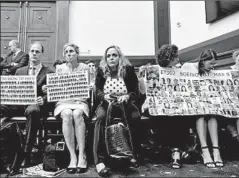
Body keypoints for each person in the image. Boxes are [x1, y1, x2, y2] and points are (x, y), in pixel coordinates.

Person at [0, 42, 53, 171]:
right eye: (32, 51)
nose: (34, 54)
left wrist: (45, 99)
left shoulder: (49, 72)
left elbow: (54, 91)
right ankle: (6, 149)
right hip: (19, 103)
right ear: (29, 52)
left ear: (42, 54)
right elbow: (13, 90)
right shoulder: (20, 71)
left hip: (35, 105)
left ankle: (26, 152)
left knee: (33, 110)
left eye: (37, 51)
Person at [93, 45, 140, 177]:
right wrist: (104, 96)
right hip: (106, 105)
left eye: (114, 55)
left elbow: (135, 91)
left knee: (135, 117)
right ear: (105, 59)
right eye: (109, 56)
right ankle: (99, 160)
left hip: (125, 105)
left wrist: (128, 96)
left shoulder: (128, 70)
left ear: (120, 57)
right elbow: (97, 90)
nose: (111, 58)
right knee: (100, 118)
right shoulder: (101, 70)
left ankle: (132, 154)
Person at [181, 49, 223, 168]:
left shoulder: (211, 72)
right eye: (211, 63)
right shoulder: (188, 67)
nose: (213, 66)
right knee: (201, 114)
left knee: (211, 115)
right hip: (191, 106)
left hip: (208, 105)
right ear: (203, 61)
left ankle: (216, 150)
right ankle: (205, 150)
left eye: (214, 64)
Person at [53, 43, 89, 173]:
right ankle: (72, 156)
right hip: (64, 102)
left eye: (72, 51)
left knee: (77, 114)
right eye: (67, 51)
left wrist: (90, 86)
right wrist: (49, 88)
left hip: (80, 101)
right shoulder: (60, 68)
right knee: (67, 114)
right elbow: (56, 87)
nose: (69, 53)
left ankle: (82, 156)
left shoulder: (85, 67)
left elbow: (91, 84)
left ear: (77, 53)